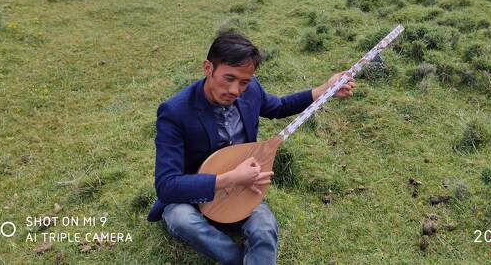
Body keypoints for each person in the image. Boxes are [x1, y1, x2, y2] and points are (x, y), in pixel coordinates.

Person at [147, 32, 356, 264]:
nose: (235, 90)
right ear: (208, 68)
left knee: (264, 227)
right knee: (180, 219)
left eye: (244, 82)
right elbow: (166, 186)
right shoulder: (175, 112)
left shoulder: (251, 89)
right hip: (192, 196)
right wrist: (230, 178)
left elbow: (279, 107)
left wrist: (324, 89)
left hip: (242, 190)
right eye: (229, 78)